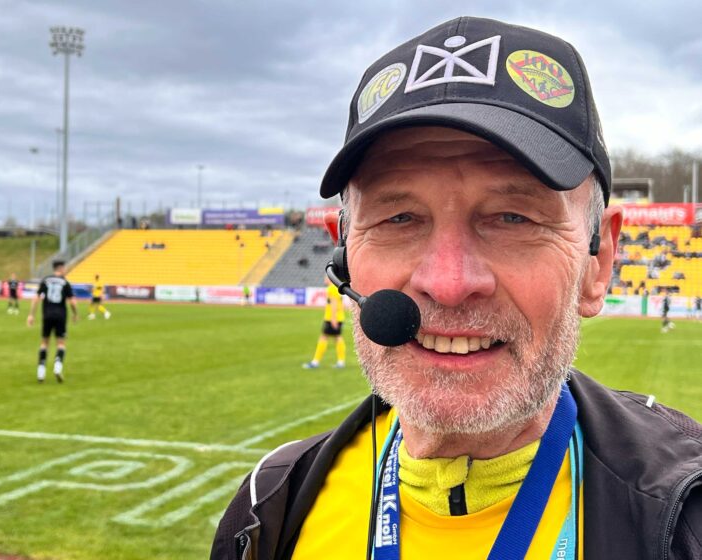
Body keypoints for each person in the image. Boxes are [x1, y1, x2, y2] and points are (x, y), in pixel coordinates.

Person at [212, 17, 702, 560]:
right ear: (345, 252)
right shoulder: (269, 506)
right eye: (399, 218)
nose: (447, 285)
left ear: (598, 262)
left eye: (513, 217)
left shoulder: (690, 522)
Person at [27, 260, 77, 383]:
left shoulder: (46, 280)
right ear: (60, 268)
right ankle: (57, 367)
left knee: (44, 343)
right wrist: (75, 314)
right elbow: (72, 301)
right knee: (61, 343)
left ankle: (41, 372)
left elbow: (36, 298)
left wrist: (31, 315)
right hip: (60, 315)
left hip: (47, 315)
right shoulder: (65, 282)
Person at [302, 276, 346, 369]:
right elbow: (340, 304)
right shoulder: (336, 288)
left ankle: (315, 362)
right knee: (337, 338)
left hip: (332, 318)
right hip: (338, 317)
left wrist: (333, 318)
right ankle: (341, 361)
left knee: (324, 337)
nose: (324, 279)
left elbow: (333, 304)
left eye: (326, 277)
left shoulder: (331, 289)